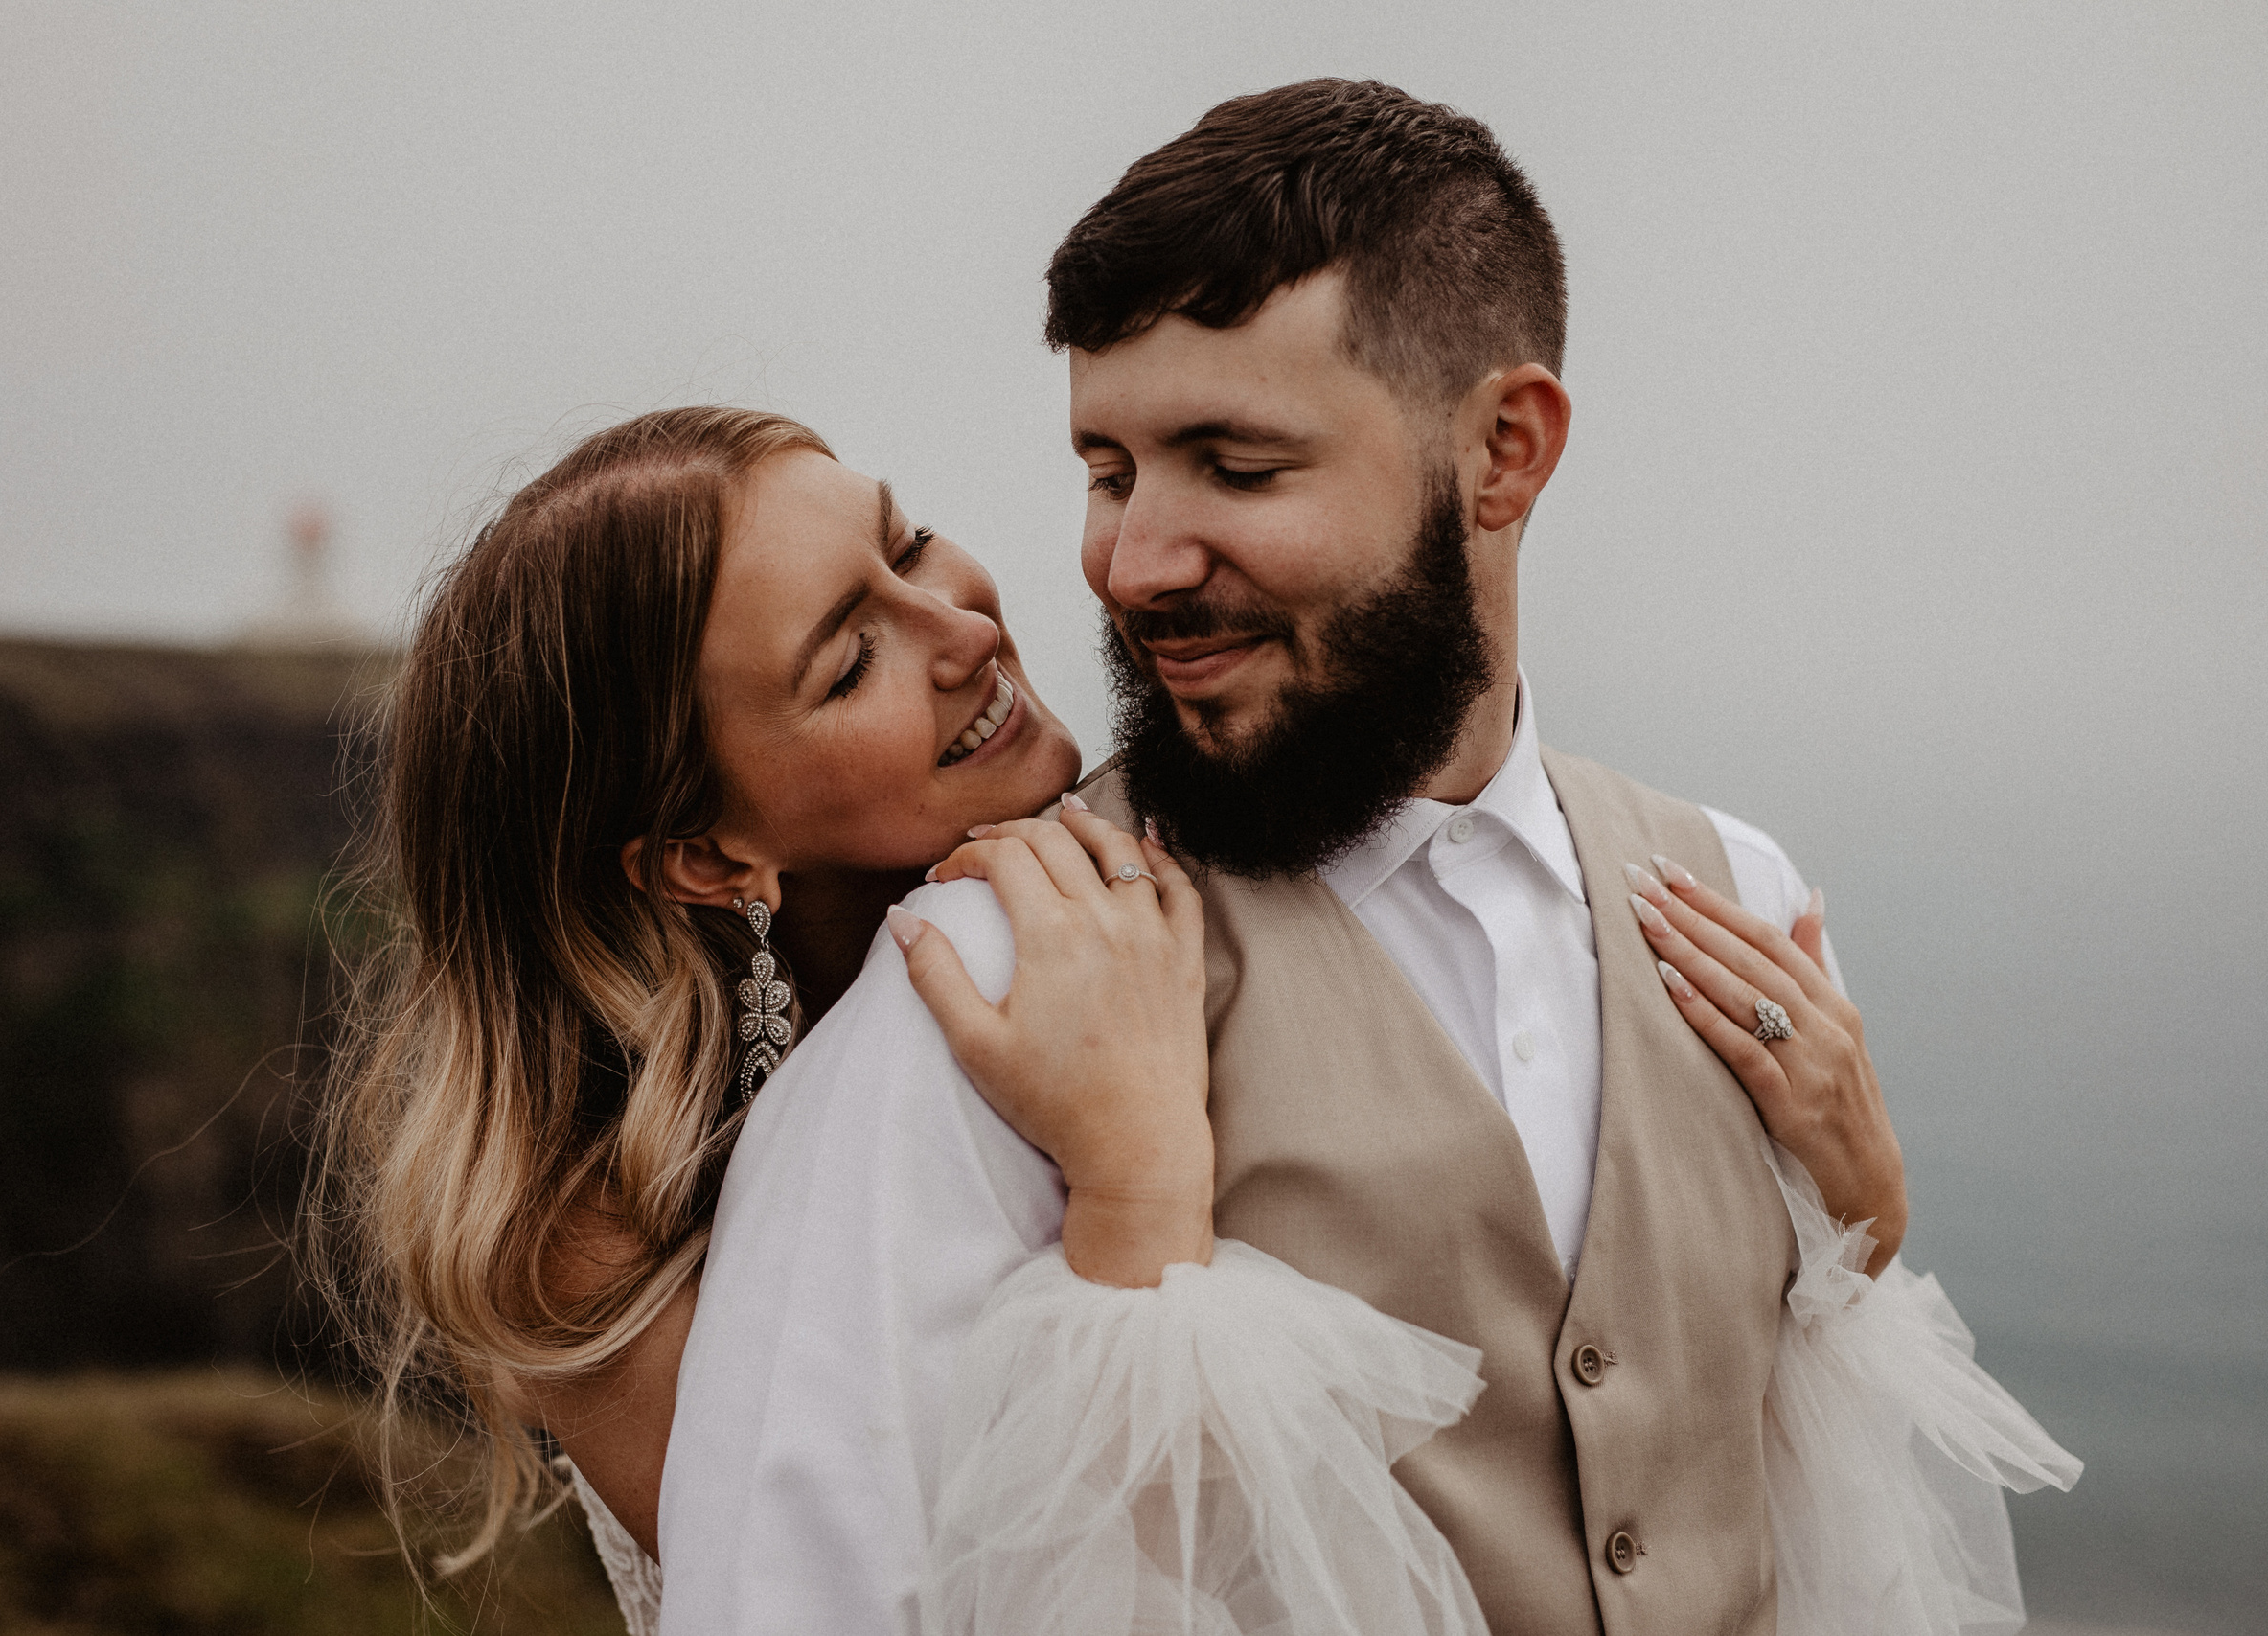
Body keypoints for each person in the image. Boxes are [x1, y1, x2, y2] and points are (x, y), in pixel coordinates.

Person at [660, 80, 2080, 1636]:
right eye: (1111, 468)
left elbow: (1835, 1543)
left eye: (1238, 466)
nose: (1135, 565)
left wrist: (1861, 1224)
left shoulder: (1743, 902)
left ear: (1504, 452)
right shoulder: (988, 978)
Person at [308, 403, 1492, 1635]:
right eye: (849, 661)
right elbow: (904, 1589)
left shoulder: (1126, 878)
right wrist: (1137, 1182)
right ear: (705, 859)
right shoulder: (590, 1232)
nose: (965, 628)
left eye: (909, 543)